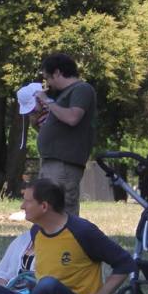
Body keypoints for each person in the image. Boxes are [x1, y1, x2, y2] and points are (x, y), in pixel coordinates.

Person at [0, 179, 134, 294]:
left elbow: (125, 263)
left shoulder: (82, 231)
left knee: (48, 285)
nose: (22, 206)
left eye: (27, 201)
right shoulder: (36, 231)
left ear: (44, 206)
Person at [35, 52, 96, 217]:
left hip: (63, 164)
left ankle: (68, 235)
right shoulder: (60, 96)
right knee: (47, 212)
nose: (47, 83)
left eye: (47, 78)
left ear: (57, 73)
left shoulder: (81, 89)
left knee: (61, 212)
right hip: (51, 162)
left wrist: (48, 101)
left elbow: (72, 118)